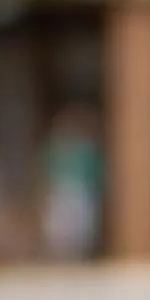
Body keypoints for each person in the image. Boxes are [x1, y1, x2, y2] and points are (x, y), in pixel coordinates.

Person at [41, 105, 103, 259]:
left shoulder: (86, 151)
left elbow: (93, 178)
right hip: (61, 196)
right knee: (59, 238)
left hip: (79, 197)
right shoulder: (56, 150)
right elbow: (47, 176)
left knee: (80, 238)